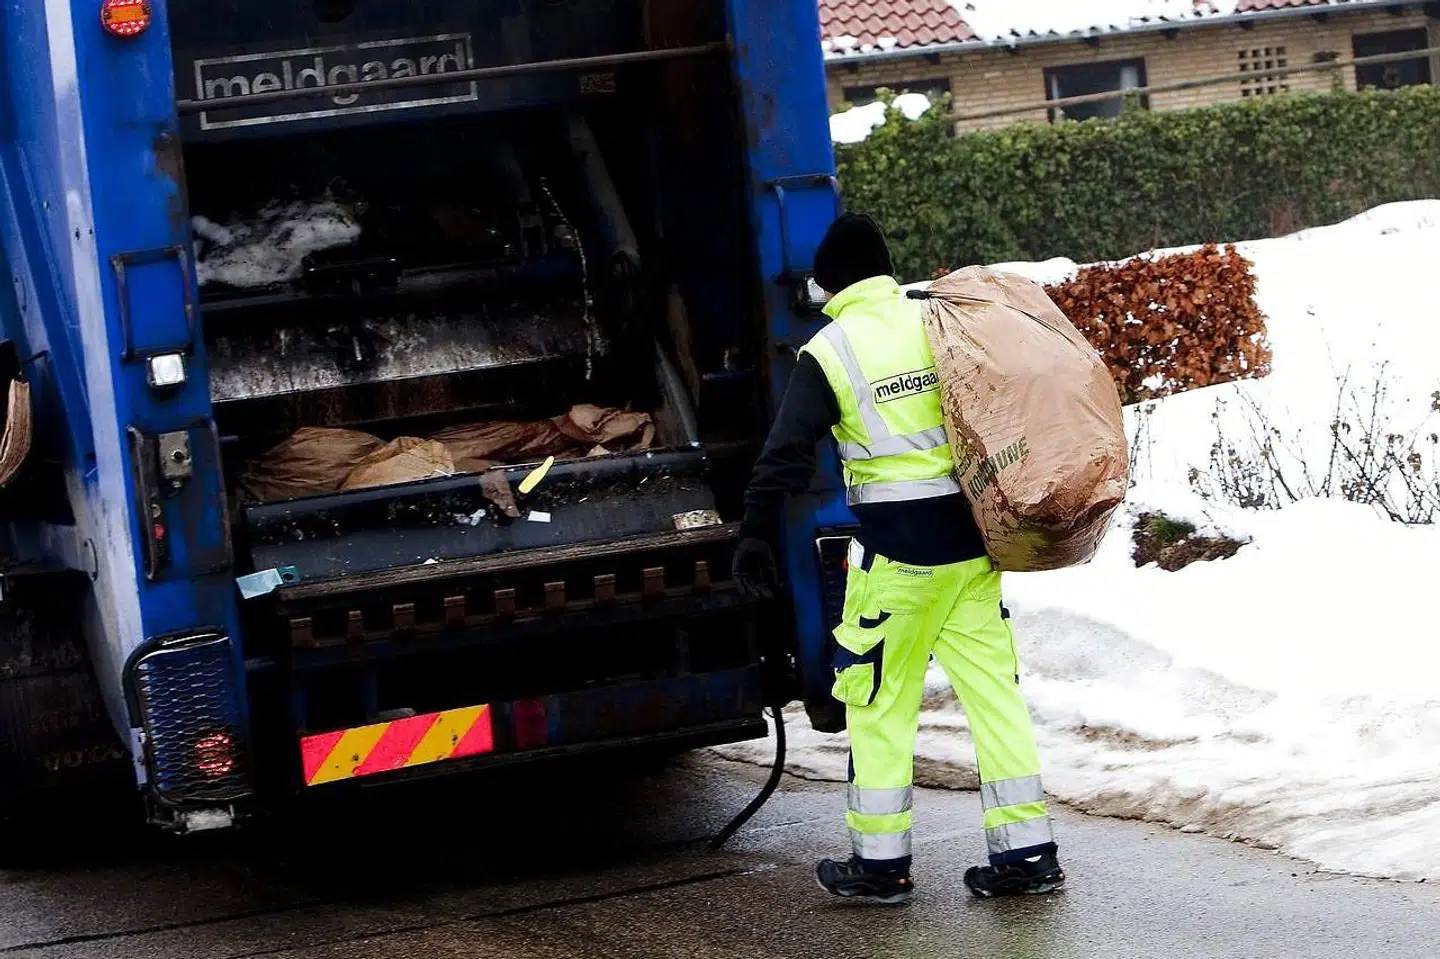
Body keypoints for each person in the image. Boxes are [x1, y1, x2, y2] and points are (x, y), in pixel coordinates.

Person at [732, 213, 1063, 905]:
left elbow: (785, 454)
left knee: (879, 703)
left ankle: (881, 866)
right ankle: (1027, 855)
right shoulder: (937, 322)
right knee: (995, 699)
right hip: (972, 554)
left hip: (897, 561)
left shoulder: (830, 350)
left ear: (833, 281)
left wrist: (755, 534)